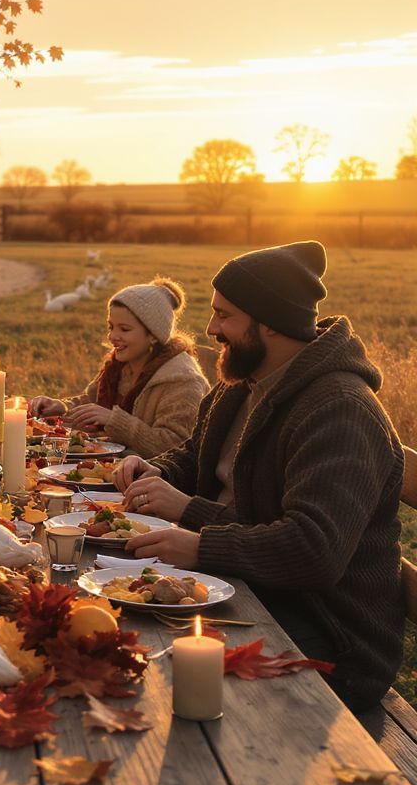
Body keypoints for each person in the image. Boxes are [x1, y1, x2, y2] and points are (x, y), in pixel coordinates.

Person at [116, 241, 404, 712]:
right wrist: (158, 470)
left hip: (324, 634)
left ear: (269, 321)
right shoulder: (243, 383)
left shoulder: (341, 411)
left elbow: (313, 549)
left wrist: (196, 532)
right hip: (244, 587)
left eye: (224, 315)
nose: (210, 329)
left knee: (148, 673)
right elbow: (196, 455)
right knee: (114, 623)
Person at [28, 277, 209, 457]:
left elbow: (176, 448)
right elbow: (91, 402)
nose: (112, 336)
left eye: (124, 329)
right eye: (111, 327)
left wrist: (114, 421)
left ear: (153, 335)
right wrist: (61, 407)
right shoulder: (118, 366)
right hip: (108, 467)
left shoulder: (183, 380)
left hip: (151, 475)